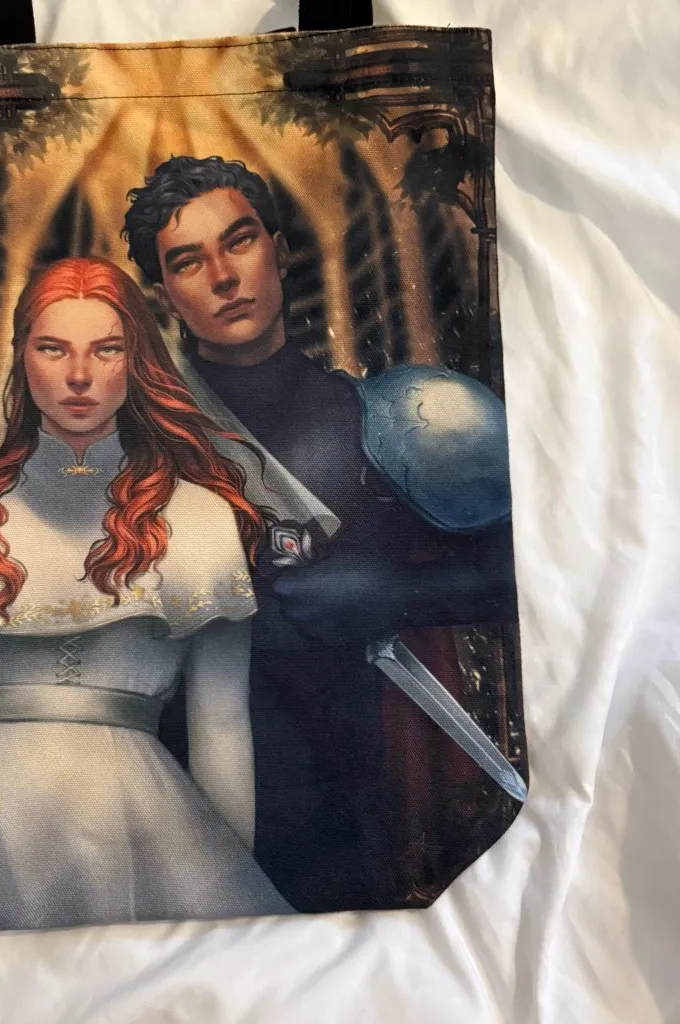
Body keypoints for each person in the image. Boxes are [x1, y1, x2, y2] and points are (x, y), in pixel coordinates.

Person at [122, 155, 518, 910]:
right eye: (188, 261)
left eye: (239, 241)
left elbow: (527, 573)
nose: (224, 277)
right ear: (162, 292)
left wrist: (401, 592)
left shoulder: (401, 415)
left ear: (278, 249)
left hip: (363, 806)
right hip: (174, 804)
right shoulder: (124, 445)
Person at [0, 256, 293, 932]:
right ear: (21, 356)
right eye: (53, 348)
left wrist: (229, 882)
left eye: (105, 350)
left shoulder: (200, 516)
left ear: (138, 360)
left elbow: (220, 722)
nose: (79, 375)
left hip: (146, 823)